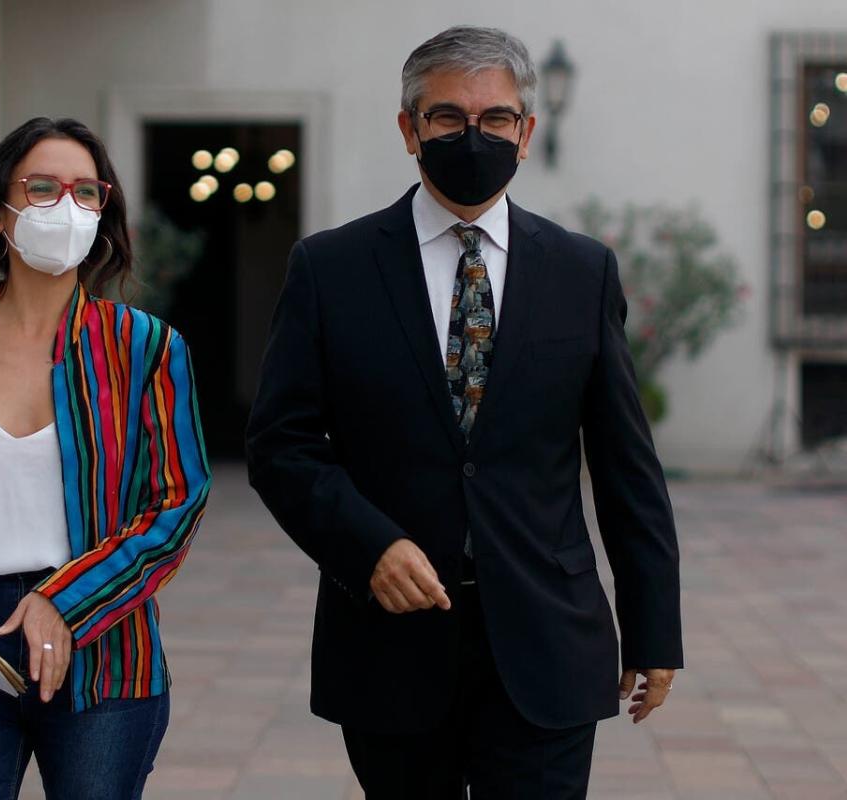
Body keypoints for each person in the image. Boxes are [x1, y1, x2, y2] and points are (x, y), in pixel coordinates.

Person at [245, 26, 682, 799]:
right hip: (389, 643)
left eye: (496, 118)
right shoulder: (330, 269)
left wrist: (653, 627)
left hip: (546, 638)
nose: (472, 136)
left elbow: (626, 465)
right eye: (447, 116)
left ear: (526, 131)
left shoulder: (581, 272)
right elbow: (280, 445)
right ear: (408, 128)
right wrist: (368, 547)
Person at [0, 117, 211, 800]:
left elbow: (177, 502)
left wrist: (65, 601)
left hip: (105, 651)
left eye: (86, 191)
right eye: (43, 188)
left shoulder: (145, 347)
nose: (66, 207)